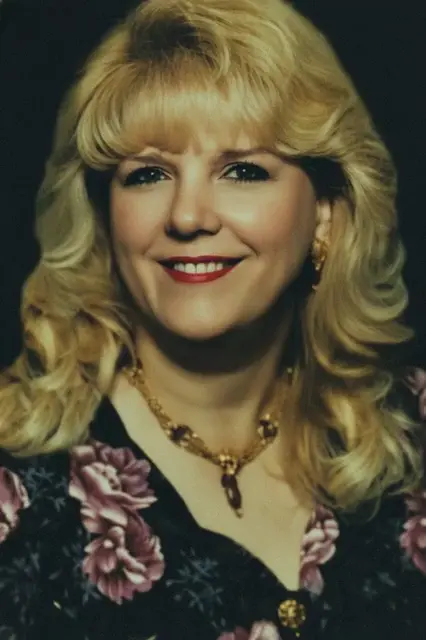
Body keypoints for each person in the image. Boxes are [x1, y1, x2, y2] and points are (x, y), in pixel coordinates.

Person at [0, 0, 425, 638]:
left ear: (325, 215)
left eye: (242, 170)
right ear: (106, 220)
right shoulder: (19, 489)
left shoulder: (412, 433)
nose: (188, 215)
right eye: (148, 174)